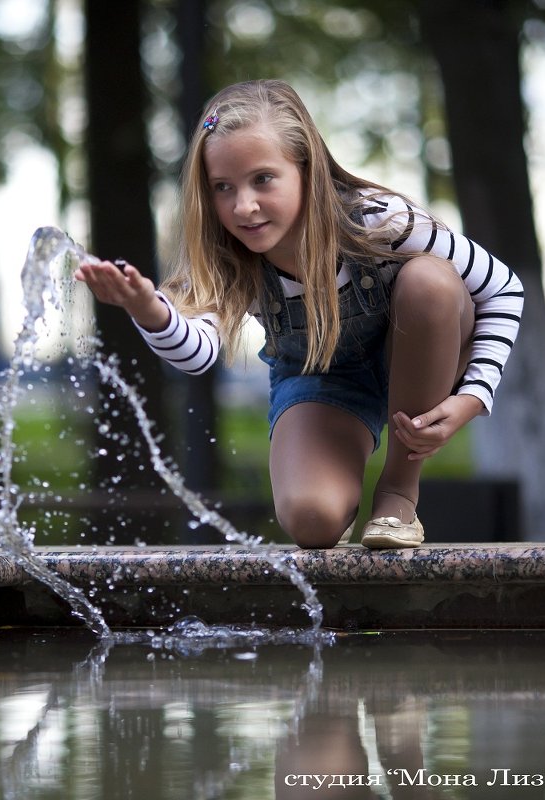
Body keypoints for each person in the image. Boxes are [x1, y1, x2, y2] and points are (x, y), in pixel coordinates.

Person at [74, 79, 522, 549]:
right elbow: (198, 352)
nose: (243, 206)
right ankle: (338, 482)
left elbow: (504, 290)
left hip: (413, 348)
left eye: (262, 179)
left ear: (307, 170)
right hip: (321, 377)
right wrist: (149, 310)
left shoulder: (380, 221)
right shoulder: (227, 256)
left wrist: (472, 396)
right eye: (222, 187)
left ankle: (397, 493)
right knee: (313, 521)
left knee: (431, 280)